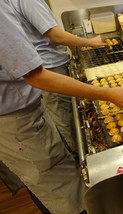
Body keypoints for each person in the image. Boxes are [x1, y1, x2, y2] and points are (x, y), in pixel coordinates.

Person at [0, 1, 123, 214]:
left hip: (20, 111)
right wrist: (108, 94)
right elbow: (36, 76)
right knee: (56, 184)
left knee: (52, 176)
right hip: (16, 121)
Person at [10, 0, 108, 153]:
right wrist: (89, 42)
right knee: (66, 119)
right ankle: (79, 158)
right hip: (50, 68)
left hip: (46, 66)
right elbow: (57, 36)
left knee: (64, 115)